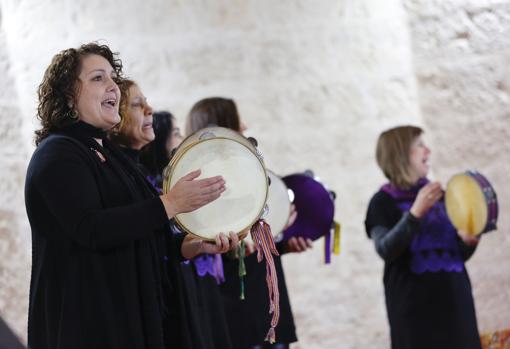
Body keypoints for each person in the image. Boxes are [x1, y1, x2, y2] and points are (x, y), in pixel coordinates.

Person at [24, 43, 237, 349]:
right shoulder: (57, 153)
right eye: (98, 78)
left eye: (113, 77)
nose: (113, 86)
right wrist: (171, 203)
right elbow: (91, 229)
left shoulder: (106, 152)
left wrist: (190, 246)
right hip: (85, 325)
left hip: (126, 320)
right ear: (68, 95)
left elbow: (135, 234)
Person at [186, 97, 312, 349]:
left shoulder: (245, 175)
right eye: (236, 121)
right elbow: (224, 251)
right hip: (239, 309)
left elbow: (251, 244)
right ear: (222, 126)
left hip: (264, 301)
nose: (244, 126)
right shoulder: (206, 185)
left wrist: (282, 240)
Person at [365, 125, 482, 349]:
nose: (428, 151)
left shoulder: (442, 196)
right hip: (414, 312)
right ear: (400, 155)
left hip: (456, 302)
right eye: (419, 145)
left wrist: (468, 243)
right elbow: (385, 249)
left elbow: (455, 255)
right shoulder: (381, 202)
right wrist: (415, 213)